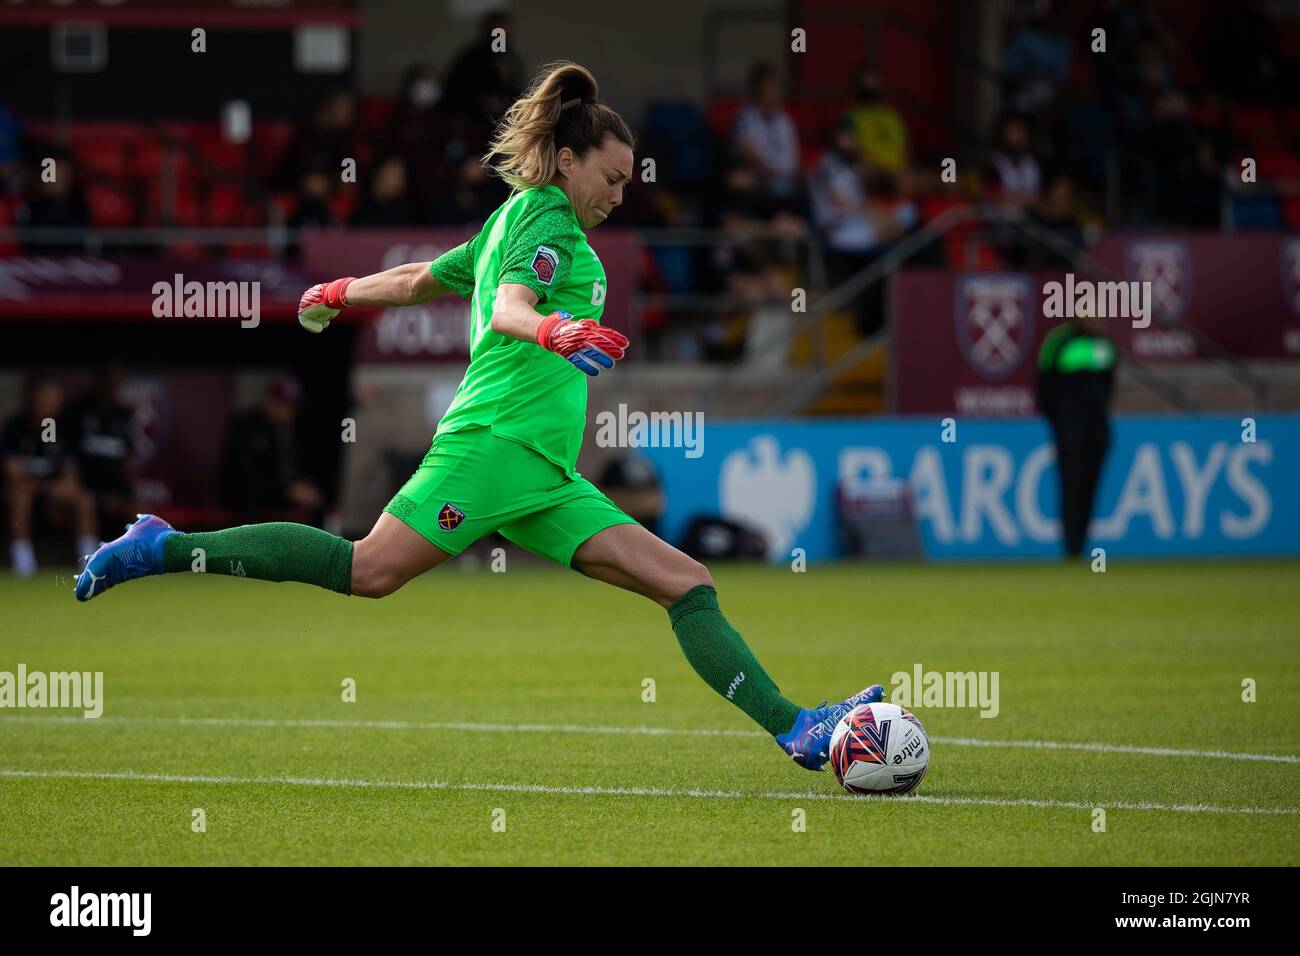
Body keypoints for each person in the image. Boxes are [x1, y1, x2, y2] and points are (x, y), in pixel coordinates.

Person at [75, 61, 882, 773]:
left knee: (687, 584)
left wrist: (337, 291)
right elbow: (505, 306)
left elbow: (429, 276)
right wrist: (553, 330)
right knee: (368, 571)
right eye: (611, 175)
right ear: (567, 160)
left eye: (629, 180)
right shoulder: (544, 219)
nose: (619, 192)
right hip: (493, 444)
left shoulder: (511, 220)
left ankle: (798, 730)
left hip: (545, 475)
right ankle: (164, 547)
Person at [1036, 311, 1117, 558]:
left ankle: (1081, 543)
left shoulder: (1105, 344)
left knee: (1090, 489)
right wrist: (1059, 421)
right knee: (1072, 486)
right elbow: (1043, 384)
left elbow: (1109, 385)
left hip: (1098, 429)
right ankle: (1072, 547)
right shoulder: (1060, 341)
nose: (1097, 319)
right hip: (1069, 429)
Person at [3, 378, 97, 575]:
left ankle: (90, 564)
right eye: (46, 399)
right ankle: (24, 565)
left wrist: (64, 485)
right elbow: (12, 473)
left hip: (49, 493)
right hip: (26, 494)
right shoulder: (17, 427)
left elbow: (69, 470)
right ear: (34, 400)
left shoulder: (55, 429)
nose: (52, 405)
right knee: (20, 497)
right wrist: (46, 487)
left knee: (83, 499)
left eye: (55, 400)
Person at [219, 377, 323, 526]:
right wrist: (288, 490)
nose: (288, 411)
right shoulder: (245, 426)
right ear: (269, 400)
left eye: (292, 407)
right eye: (282, 405)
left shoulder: (295, 428)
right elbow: (244, 478)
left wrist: (300, 488)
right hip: (244, 508)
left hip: (281, 506)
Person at [67, 365, 138, 536]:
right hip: (85, 489)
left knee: (141, 512)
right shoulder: (79, 411)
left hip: (115, 492)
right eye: (107, 380)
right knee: (85, 502)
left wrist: (129, 495)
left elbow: (129, 462)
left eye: (116, 381)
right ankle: (88, 560)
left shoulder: (123, 415)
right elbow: (69, 458)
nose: (111, 385)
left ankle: (138, 559)